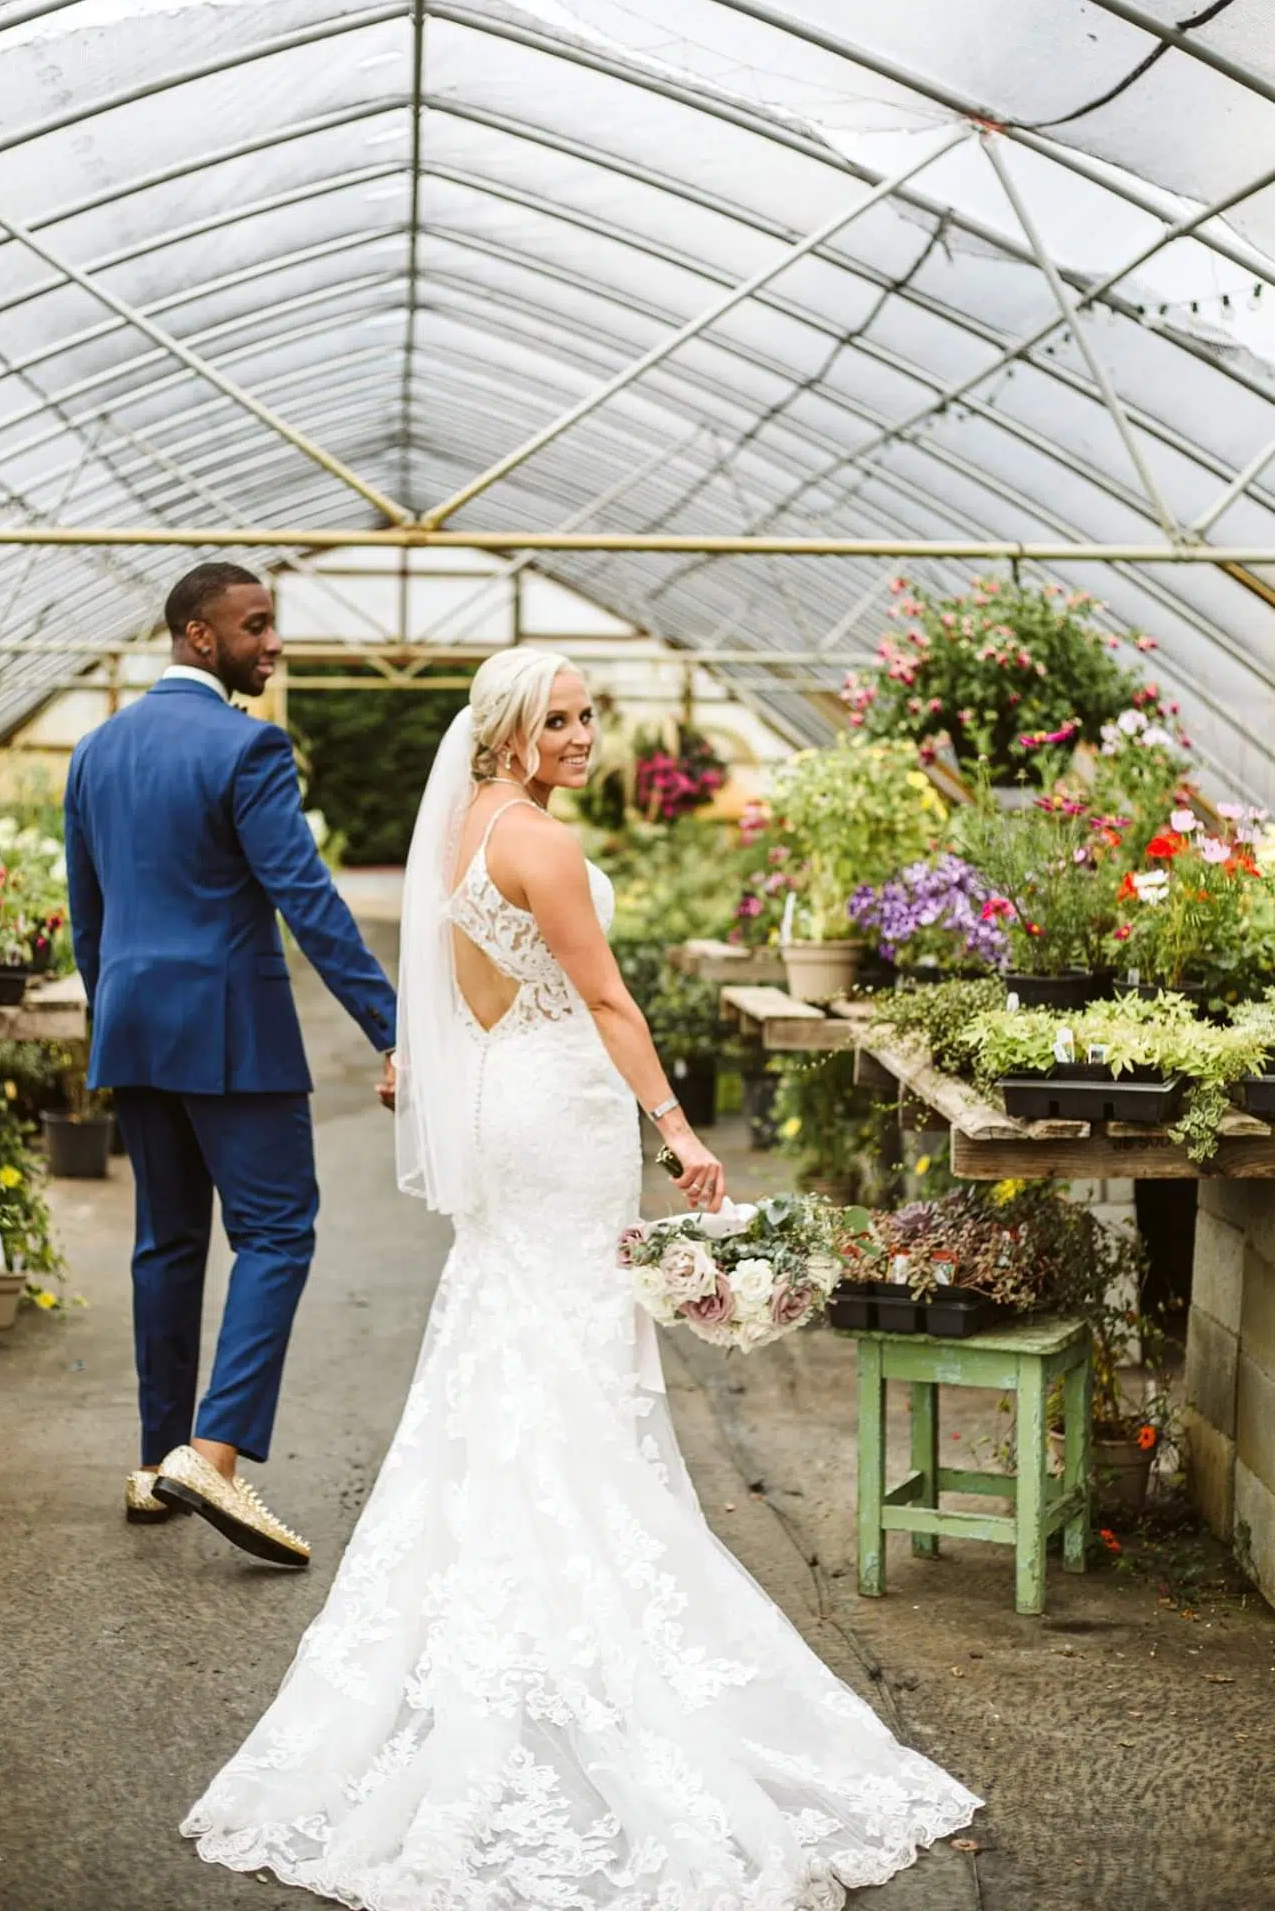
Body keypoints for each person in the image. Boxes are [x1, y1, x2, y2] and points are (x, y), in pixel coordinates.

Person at [182, 647, 979, 1906]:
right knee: (572, 1344)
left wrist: (440, 1078)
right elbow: (606, 1000)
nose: (579, 733)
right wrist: (679, 1130)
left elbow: (458, 997)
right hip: (560, 1109)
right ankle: (582, 1595)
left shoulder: (467, 832)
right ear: (503, 731)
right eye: (554, 718)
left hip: (511, 1098)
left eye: (586, 713)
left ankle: (505, 1583)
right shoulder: (538, 844)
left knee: (514, 1330)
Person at [64, 562, 399, 1570]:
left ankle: (153, 1459)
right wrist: (393, 1026)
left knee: (166, 1243)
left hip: (134, 1025)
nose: (273, 643)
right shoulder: (247, 745)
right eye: (255, 626)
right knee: (277, 1231)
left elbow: (90, 918)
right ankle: (210, 1454)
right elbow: (305, 898)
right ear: (198, 636)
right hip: (231, 1034)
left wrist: (115, 1012)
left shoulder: (95, 750)